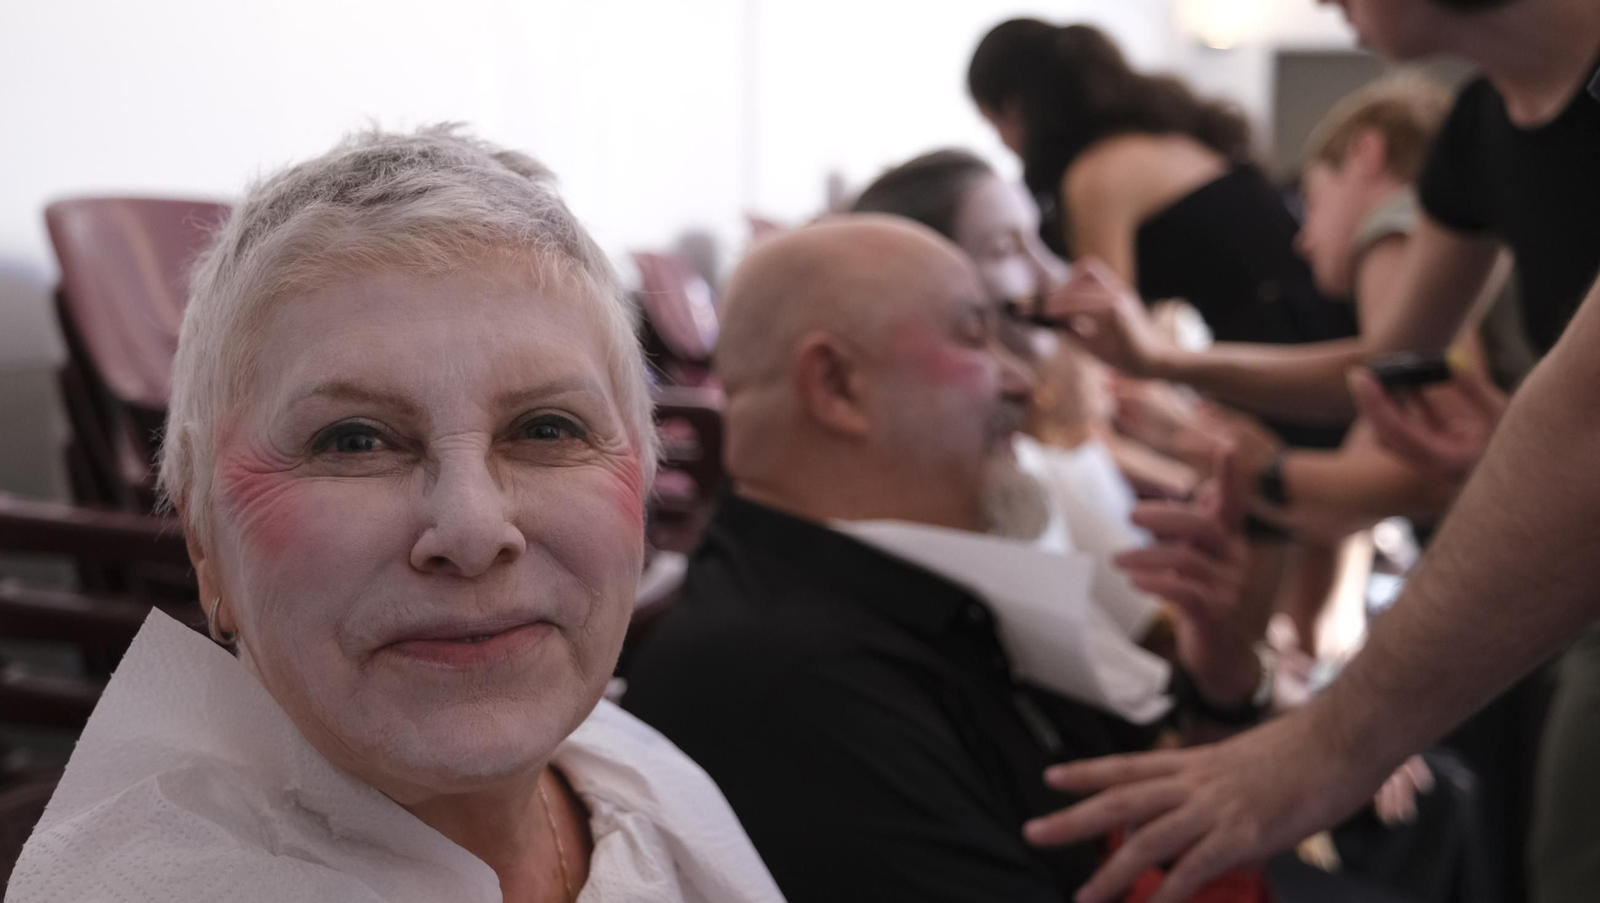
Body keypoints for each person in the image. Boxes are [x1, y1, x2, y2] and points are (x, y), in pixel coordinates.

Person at [6, 127, 783, 903]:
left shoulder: (645, 783)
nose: (474, 532)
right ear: (206, 546)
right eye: (353, 441)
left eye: (548, 428)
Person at [1016, 0, 1600, 900]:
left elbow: (1578, 416)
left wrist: (1338, 739)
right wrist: (1163, 359)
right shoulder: (1480, 133)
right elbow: (1389, 364)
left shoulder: (1394, 218)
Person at [621, 216, 1272, 902]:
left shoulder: (905, 596)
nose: (1024, 380)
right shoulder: (788, 686)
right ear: (838, 385)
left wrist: (1223, 689)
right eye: (974, 335)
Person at [967, 18, 1358, 452]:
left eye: (993, 126)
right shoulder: (1163, 136)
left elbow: (1105, 327)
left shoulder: (1095, 176)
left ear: (1014, 108)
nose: (1002, 144)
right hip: (1315, 327)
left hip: (1285, 349)